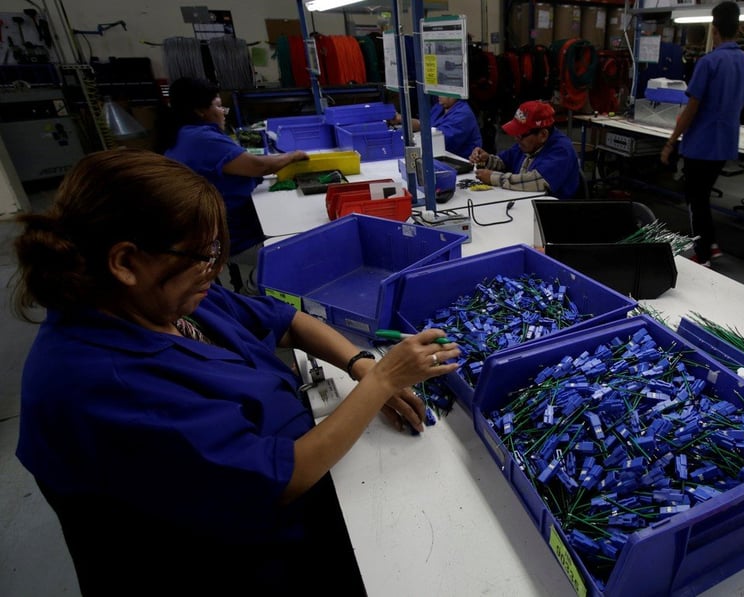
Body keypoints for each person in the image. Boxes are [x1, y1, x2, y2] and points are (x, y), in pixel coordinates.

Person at [12, 148, 461, 595]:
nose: (214, 267)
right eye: (202, 254)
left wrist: (360, 364)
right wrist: (384, 380)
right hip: (229, 564)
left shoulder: (158, 300)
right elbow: (281, 478)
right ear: (126, 262)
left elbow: (285, 320)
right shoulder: (102, 386)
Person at [160, 77, 308, 292]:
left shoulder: (182, 134)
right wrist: (293, 156)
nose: (222, 112)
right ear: (200, 110)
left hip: (218, 228)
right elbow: (258, 166)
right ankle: (254, 289)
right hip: (232, 238)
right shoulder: (201, 138)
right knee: (303, 248)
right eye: (219, 106)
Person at [659, 1, 744, 266]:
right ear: (737, 28)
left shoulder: (709, 62)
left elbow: (691, 109)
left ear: (714, 29)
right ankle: (710, 244)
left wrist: (670, 141)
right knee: (702, 196)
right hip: (725, 145)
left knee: (695, 200)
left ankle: (703, 254)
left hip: (701, 145)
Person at [468, 100, 580, 199]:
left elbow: (535, 181)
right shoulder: (526, 144)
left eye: (520, 135)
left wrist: (493, 178)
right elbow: (505, 161)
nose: (516, 139)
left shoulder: (562, 151)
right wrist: (487, 159)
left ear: (543, 135)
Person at [393, 96, 483, 160]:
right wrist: (400, 119)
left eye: (441, 93)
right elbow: (424, 125)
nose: (438, 96)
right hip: (438, 157)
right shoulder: (440, 107)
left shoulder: (463, 114)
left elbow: (440, 140)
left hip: (460, 162)